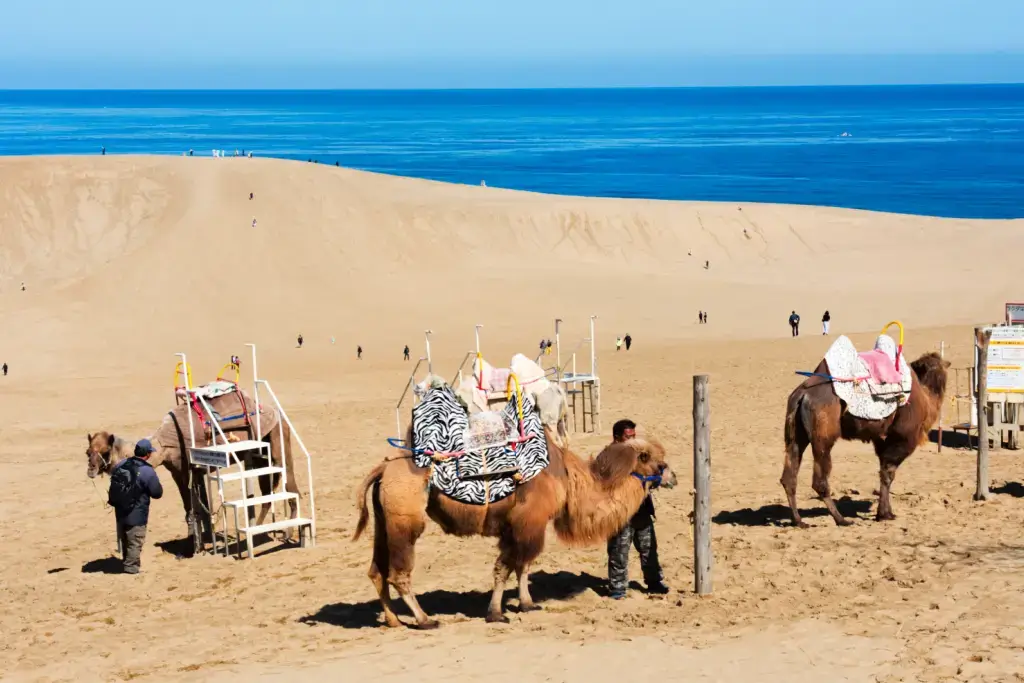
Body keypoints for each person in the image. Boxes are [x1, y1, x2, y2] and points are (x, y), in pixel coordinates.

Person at [606, 419, 668, 599]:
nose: (632, 440)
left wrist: (656, 479)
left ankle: (654, 582)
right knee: (619, 551)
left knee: (649, 548)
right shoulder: (609, 456)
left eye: (634, 436)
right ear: (617, 437)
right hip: (620, 513)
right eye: (628, 437)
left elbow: (653, 471)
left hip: (641, 509)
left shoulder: (640, 454)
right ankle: (617, 588)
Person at [108, 439, 163, 574]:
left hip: (120, 512)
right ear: (148, 454)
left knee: (125, 538)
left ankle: (127, 563)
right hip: (137, 514)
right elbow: (157, 493)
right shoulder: (147, 471)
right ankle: (130, 569)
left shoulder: (121, 464)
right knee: (135, 542)